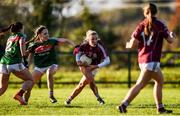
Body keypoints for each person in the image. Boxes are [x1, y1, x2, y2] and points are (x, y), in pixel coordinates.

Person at [117, 3, 176, 114]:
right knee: (140, 84)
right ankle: (123, 104)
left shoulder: (140, 25)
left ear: (145, 13)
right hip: (152, 60)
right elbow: (170, 40)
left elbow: (132, 44)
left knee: (159, 80)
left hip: (143, 60)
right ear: (156, 12)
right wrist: (173, 36)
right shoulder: (160, 25)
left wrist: (128, 45)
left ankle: (160, 108)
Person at [25, 25, 75, 103]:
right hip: (39, 67)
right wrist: (27, 64)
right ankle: (25, 102)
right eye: (45, 34)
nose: (47, 35)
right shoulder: (33, 44)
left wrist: (76, 46)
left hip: (52, 64)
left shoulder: (51, 41)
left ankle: (51, 95)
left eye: (47, 33)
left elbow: (66, 40)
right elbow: (28, 55)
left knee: (49, 73)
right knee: (29, 85)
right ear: (39, 35)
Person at [65, 30, 110, 105]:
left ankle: (69, 99)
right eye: (92, 39)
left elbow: (107, 61)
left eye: (96, 39)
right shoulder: (84, 45)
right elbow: (77, 53)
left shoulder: (100, 46)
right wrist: (78, 61)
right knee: (85, 61)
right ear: (88, 39)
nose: (95, 41)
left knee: (82, 84)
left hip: (95, 66)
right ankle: (99, 98)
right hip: (85, 64)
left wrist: (94, 66)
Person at [0, 22, 34, 105]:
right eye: (23, 28)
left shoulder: (10, 37)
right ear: (21, 28)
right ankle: (19, 95)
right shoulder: (21, 35)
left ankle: (19, 95)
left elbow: (15, 47)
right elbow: (22, 51)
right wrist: (26, 55)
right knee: (30, 80)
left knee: (2, 87)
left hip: (3, 62)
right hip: (14, 62)